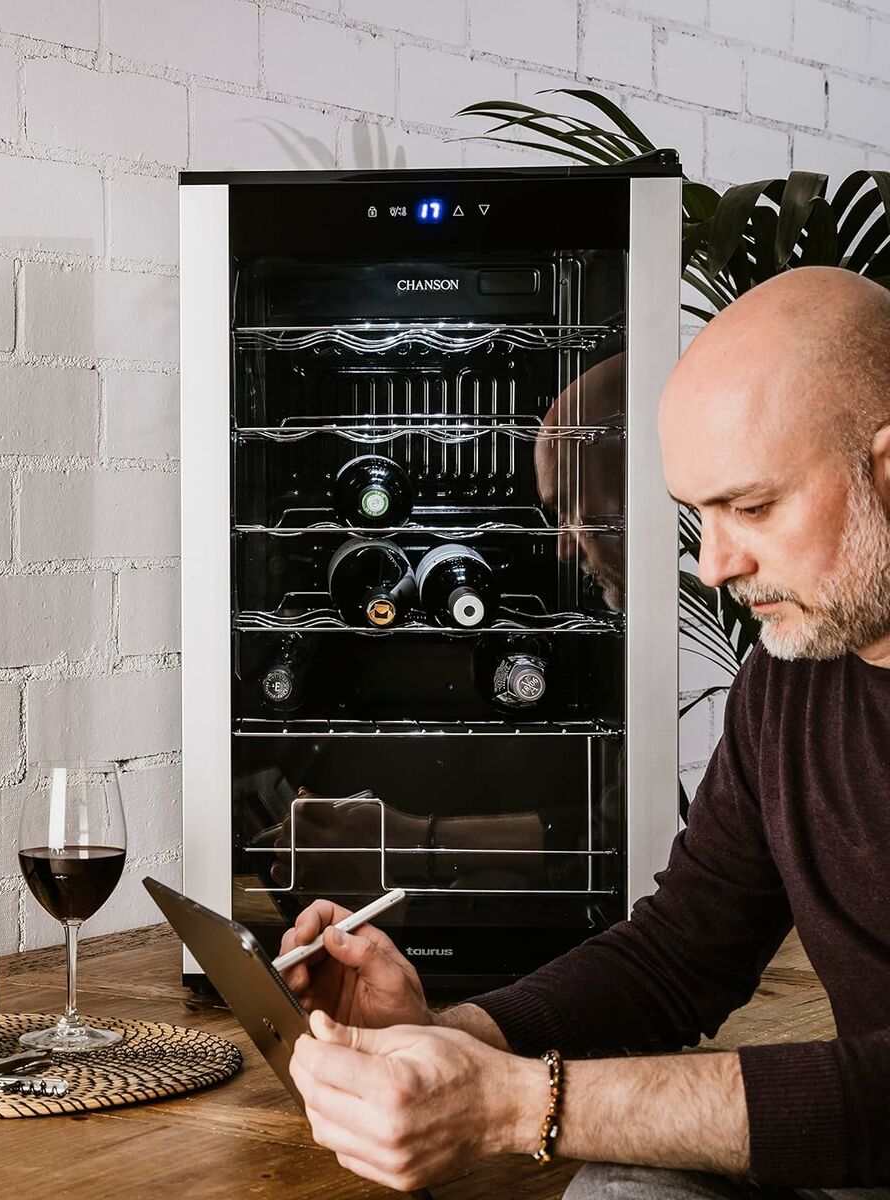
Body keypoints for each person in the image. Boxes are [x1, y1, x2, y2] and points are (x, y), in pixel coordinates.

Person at [281, 265, 890, 1198]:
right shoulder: (791, 676)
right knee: (626, 1182)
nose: (714, 565)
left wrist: (513, 1105)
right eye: (698, 516)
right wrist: (450, 1037)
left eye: (752, 507)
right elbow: (680, 953)